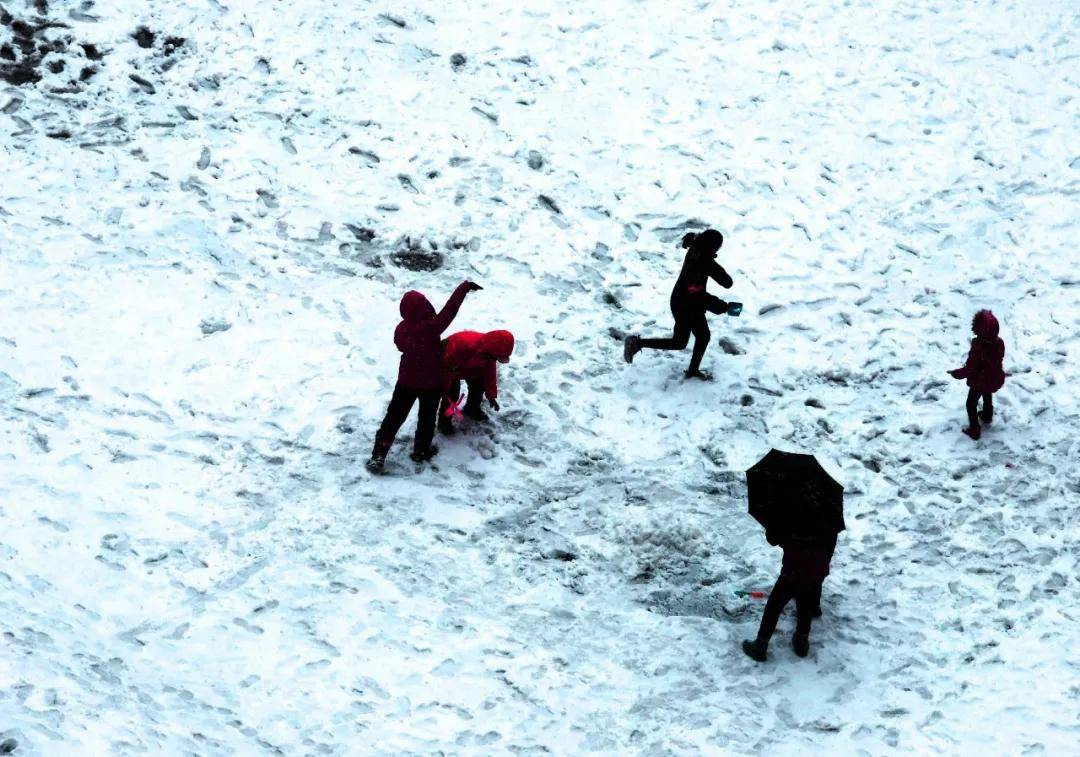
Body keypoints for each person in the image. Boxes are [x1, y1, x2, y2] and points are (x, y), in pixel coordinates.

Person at [367, 281, 482, 473]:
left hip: (406, 381)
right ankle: (421, 451)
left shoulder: (401, 329)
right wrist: (464, 287)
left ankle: (379, 454)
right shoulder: (432, 327)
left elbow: (400, 345)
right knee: (426, 419)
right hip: (431, 383)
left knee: (394, 418)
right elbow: (450, 309)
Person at [623, 229, 735, 379]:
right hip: (686, 305)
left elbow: (715, 285)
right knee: (680, 342)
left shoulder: (696, 249)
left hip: (684, 300)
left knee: (702, 336)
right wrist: (723, 307)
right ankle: (636, 343)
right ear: (713, 247)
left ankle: (692, 370)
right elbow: (720, 285)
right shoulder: (703, 262)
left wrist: (710, 262)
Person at [742, 531, 835, 662]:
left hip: (795, 565)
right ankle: (801, 641)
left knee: (775, 604)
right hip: (818, 564)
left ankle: (760, 646)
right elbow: (832, 539)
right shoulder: (828, 513)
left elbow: (774, 538)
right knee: (807, 598)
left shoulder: (792, 513)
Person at [438, 329, 515, 435]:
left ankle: (472, 409)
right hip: (451, 366)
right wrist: (444, 388)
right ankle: (444, 422)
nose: (496, 360)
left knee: (479, 386)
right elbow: (444, 367)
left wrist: (491, 396)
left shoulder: (490, 354)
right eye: (497, 357)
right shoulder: (463, 344)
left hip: (471, 367)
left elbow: (490, 375)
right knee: (451, 395)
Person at [948, 309, 1006, 441]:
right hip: (993, 378)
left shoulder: (978, 346)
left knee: (971, 404)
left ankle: (974, 429)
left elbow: (970, 368)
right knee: (987, 394)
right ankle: (987, 415)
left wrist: (956, 374)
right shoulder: (1000, 343)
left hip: (980, 380)